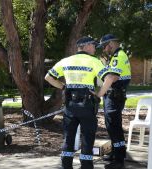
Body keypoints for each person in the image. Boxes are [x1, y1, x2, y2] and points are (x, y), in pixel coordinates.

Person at [45, 36, 119, 169]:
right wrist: (98, 95)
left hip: (70, 106)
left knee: (68, 138)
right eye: (93, 45)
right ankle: (86, 166)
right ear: (86, 46)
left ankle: (66, 166)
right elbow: (109, 78)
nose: (95, 48)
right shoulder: (93, 61)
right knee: (87, 139)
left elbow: (48, 77)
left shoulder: (66, 61)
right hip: (87, 105)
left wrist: (63, 87)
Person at [97, 34, 131, 169]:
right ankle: (116, 152)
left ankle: (119, 159)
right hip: (113, 97)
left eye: (104, 46)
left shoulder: (119, 56)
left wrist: (99, 94)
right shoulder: (115, 57)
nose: (104, 50)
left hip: (114, 97)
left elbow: (111, 77)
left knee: (114, 128)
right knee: (111, 126)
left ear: (110, 43)